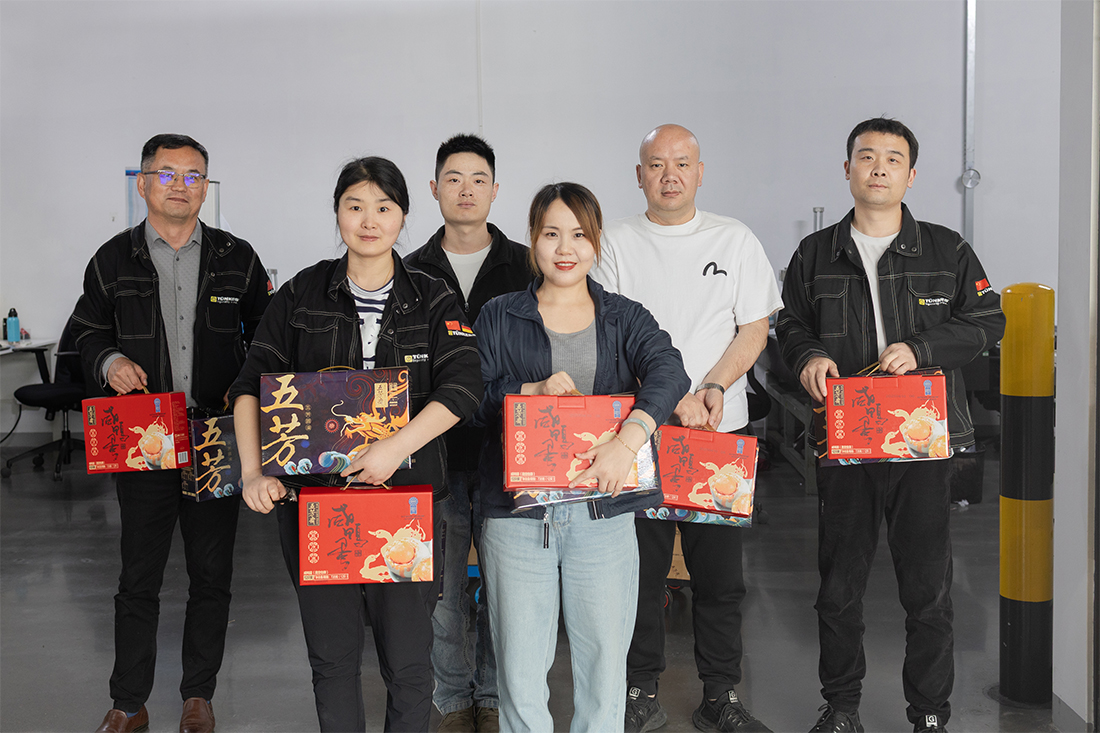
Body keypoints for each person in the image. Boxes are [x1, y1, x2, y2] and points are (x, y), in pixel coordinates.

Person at [228, 156, 483, 733]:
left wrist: (395, 446)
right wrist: (253, 472)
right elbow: (250, 386)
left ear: (403, 215)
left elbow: (465, 386)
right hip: (319, 507)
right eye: (355, 206)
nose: (369, 221)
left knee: (409, 664)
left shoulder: (433, 297)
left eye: (383, 208)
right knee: (332, 660)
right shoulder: (300, 295)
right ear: (338, 212)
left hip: (408, 505)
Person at [775, 117, 1006, 733]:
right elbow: (788, 324)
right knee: (838, 586)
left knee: (927, 590)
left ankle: (929, 713)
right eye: (867, 156)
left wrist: (922, 349)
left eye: (893, 158)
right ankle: (841, 707)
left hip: (921, 440)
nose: (879, 167)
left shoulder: (947, 250)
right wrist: (808, 356)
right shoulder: (814, 254)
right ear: (847, 168)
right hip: (846, 438)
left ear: (911, 174)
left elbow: (988, 320)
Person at [72, 133, 273, 733]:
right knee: (139, 576)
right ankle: (128, 702)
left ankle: (198, 696)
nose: (180, 185)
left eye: (193, 176)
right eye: (167, 174)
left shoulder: (238, 257)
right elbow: (85, 331)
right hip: (144, 436)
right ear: (143, 183)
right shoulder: (113, 259)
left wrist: (249, 390)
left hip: (215, 437)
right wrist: (109, 361)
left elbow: (267, 337)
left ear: (206, 187)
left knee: (212, 575)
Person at [473, 182, 690, 732]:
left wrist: (628, 440)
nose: (565, 248)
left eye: (579, 235)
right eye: (551, 234)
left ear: (596, 242)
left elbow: (669, 371)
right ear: (533, 239)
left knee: (604, 669)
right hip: (518, 516)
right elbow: (470, 397)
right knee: (520, 671)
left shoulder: (623, 317)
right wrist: (529, 391)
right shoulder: (498, 315)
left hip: (603, 512)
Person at [592, 124, 781, 733]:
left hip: (717, 437)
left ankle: (720, 695)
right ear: (638, 175)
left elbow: (753, 328)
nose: (669, 174)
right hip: (640, 437)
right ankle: (639, 692)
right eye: (656, 164)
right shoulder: (614, 243)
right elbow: (609, 334)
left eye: (681, 163)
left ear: (701, 172)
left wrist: (715, 387)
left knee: (720, 577)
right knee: (640, 576)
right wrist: (669, 398)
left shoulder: (735, 238)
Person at [404, 134, 532, 733]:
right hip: (435, 452)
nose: (465, 190)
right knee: (443, 587)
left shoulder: (526, 265)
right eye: (453, 179)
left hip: (512, 453)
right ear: (434, 189)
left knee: (509, 587)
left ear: (495, 190)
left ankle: (494, 693)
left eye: (478, 179)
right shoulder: (409, 271)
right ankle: (454, 698)